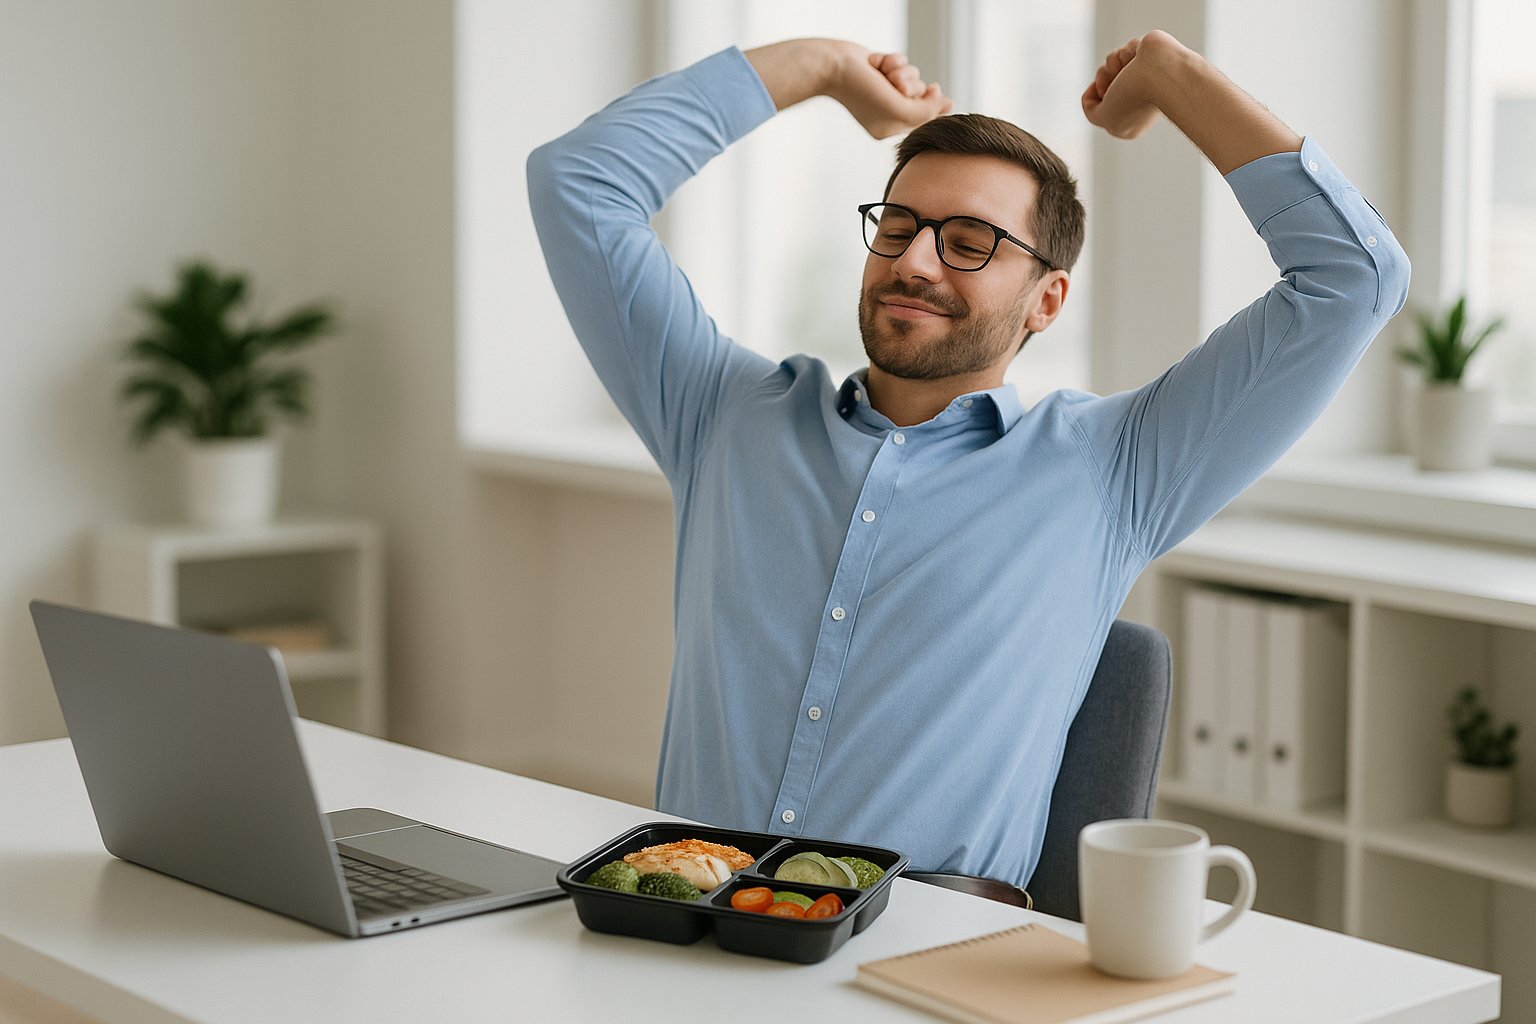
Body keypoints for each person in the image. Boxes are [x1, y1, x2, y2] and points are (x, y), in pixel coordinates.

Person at [528, 31, 1408, 888]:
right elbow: (579, 183)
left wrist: (1172, 77)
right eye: (898, 225)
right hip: (693, 934)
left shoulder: (1114, 470)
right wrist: (826, 66)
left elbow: (1353, 279)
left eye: (970, 242)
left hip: (928, 962)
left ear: (1046, 301)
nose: (914, 262)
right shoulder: (723, 417)